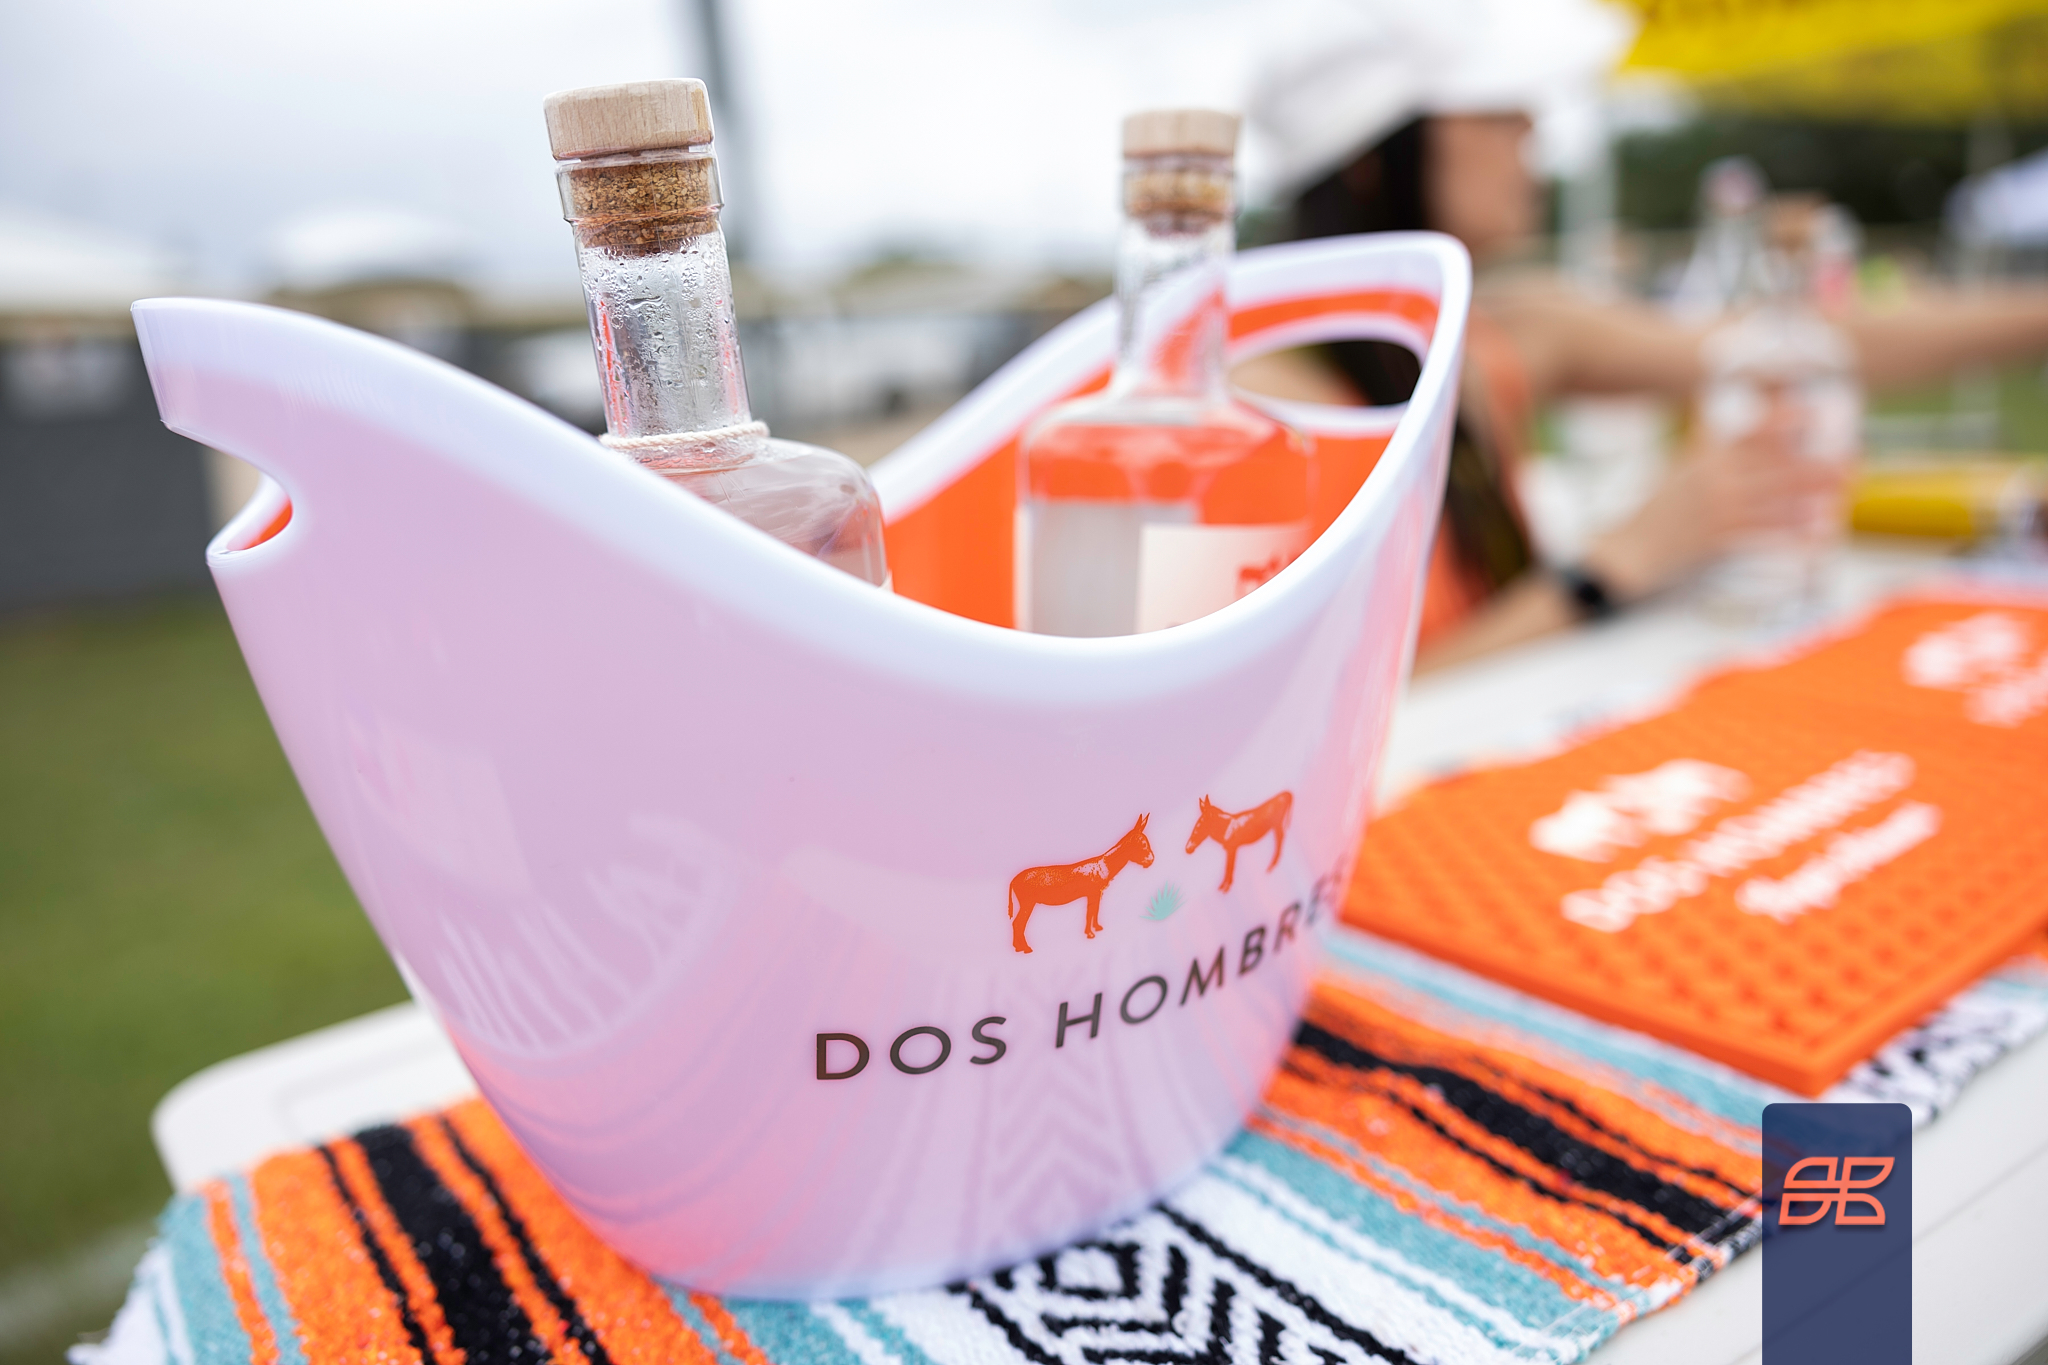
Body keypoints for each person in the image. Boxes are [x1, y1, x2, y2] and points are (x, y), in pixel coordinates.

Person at [1240, 0, 2048, 671]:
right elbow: (1319, 723)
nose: (1532, 136)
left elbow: (1806, 341)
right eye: (1495, 112)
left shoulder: (1505, 330)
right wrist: (1620, 560)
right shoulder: (1266, 411)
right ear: (1367, 159)